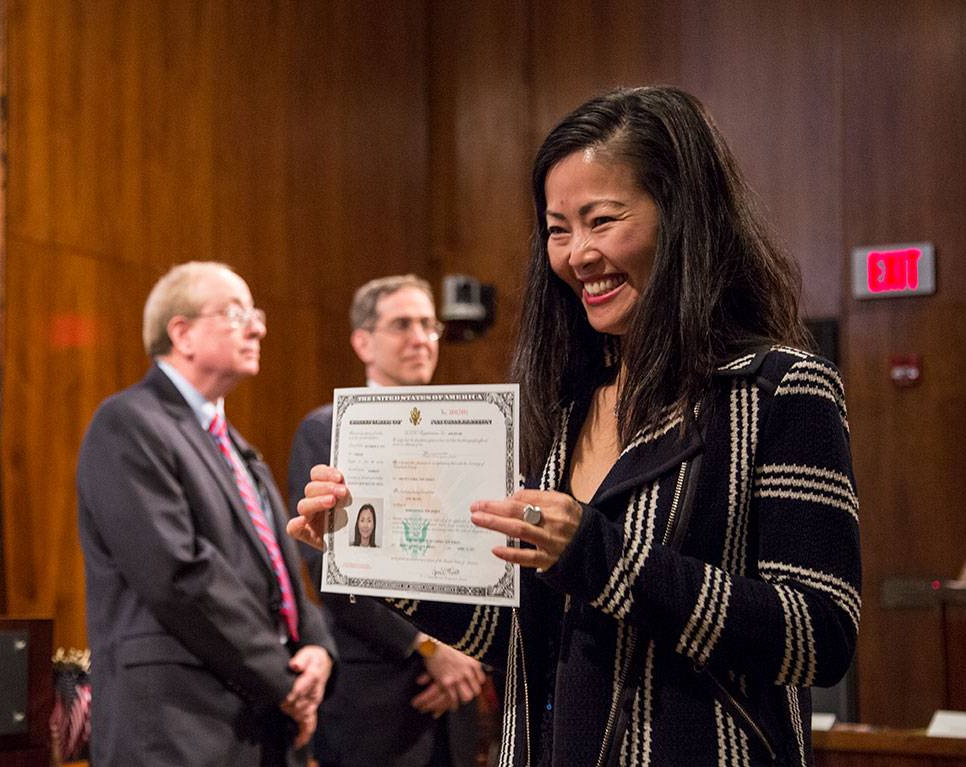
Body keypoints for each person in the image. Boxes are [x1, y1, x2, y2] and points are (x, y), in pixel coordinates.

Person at [291, 87, 861, 766]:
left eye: (602, 219)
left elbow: (819, 635)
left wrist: (599, 555)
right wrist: (377, 554)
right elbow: (531, 637)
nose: (578, 254)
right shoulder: (565, 404)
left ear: (684, 216)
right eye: (559, 229)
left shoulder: (778, 387)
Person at [78, 261, 335, 767]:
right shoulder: (128, 424)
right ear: (183, 333)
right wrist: (284, 678)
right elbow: (180, 574)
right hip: (175, 727)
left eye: (256, 314)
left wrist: (317, 647)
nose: (259, 327)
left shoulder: (237, 447)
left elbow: (279, 569)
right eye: (237, 313)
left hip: (255, 719)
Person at [287, 274, 486, 767]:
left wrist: (468, 655)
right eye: (402, 325)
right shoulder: (327, 429)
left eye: (427, 325)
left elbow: (484, 554)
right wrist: (428, 649)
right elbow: (328, 567)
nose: (420, 338)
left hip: (457, 698)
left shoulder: (471, 428)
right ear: (363, 342)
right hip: (375, 700)